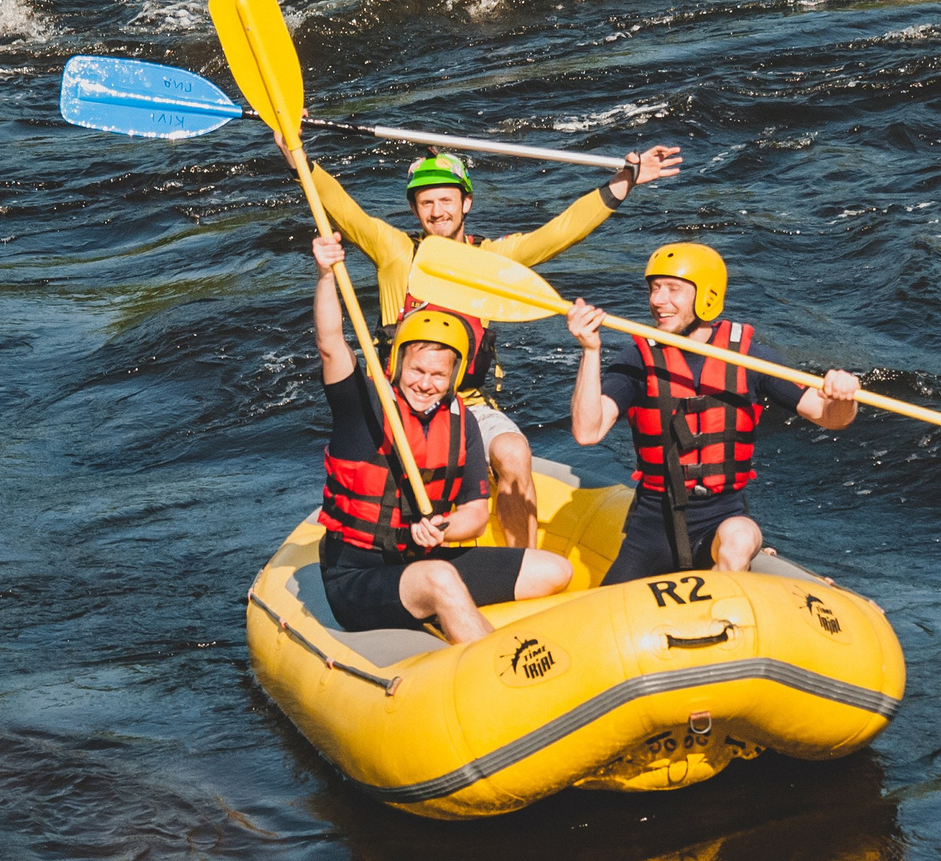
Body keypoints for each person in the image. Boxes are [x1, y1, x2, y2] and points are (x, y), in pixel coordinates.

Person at [280, 132, 683, 549]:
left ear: (466, 203)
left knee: (512, 450)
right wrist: (294, 152)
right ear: (415, 209)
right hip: (398, 404)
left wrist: (626, 180)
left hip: (463, 403)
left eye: (446, 200)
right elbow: (339, 205)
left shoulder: (491, 261)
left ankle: (522, 565)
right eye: (426, 203)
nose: (437, 212)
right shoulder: (394, 251)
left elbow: (560, 232)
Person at [307, 232, 573, 644]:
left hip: (426, 559)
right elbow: (330, 345)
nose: (425, 384)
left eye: (438, 375)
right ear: (397, 364)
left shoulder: (463, 423)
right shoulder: (363, 407)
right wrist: (326, 274)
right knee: (440, 577)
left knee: (554, 570)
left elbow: (476, 513)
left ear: (454, 376)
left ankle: (454, 619)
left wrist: (444, 530)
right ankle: (501, 666)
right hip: (358, 578)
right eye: (416, 370)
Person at [564, 242, 862, 586]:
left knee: (741, 536)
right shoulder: (636, 359)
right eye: (654, 288)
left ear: (707, 297)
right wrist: (590, 350)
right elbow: (587, 432)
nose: (658, 300)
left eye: (672, 289)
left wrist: (843, 396)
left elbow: (830, 417)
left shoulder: (748, 356)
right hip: (653, 527)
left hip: (720, 518)